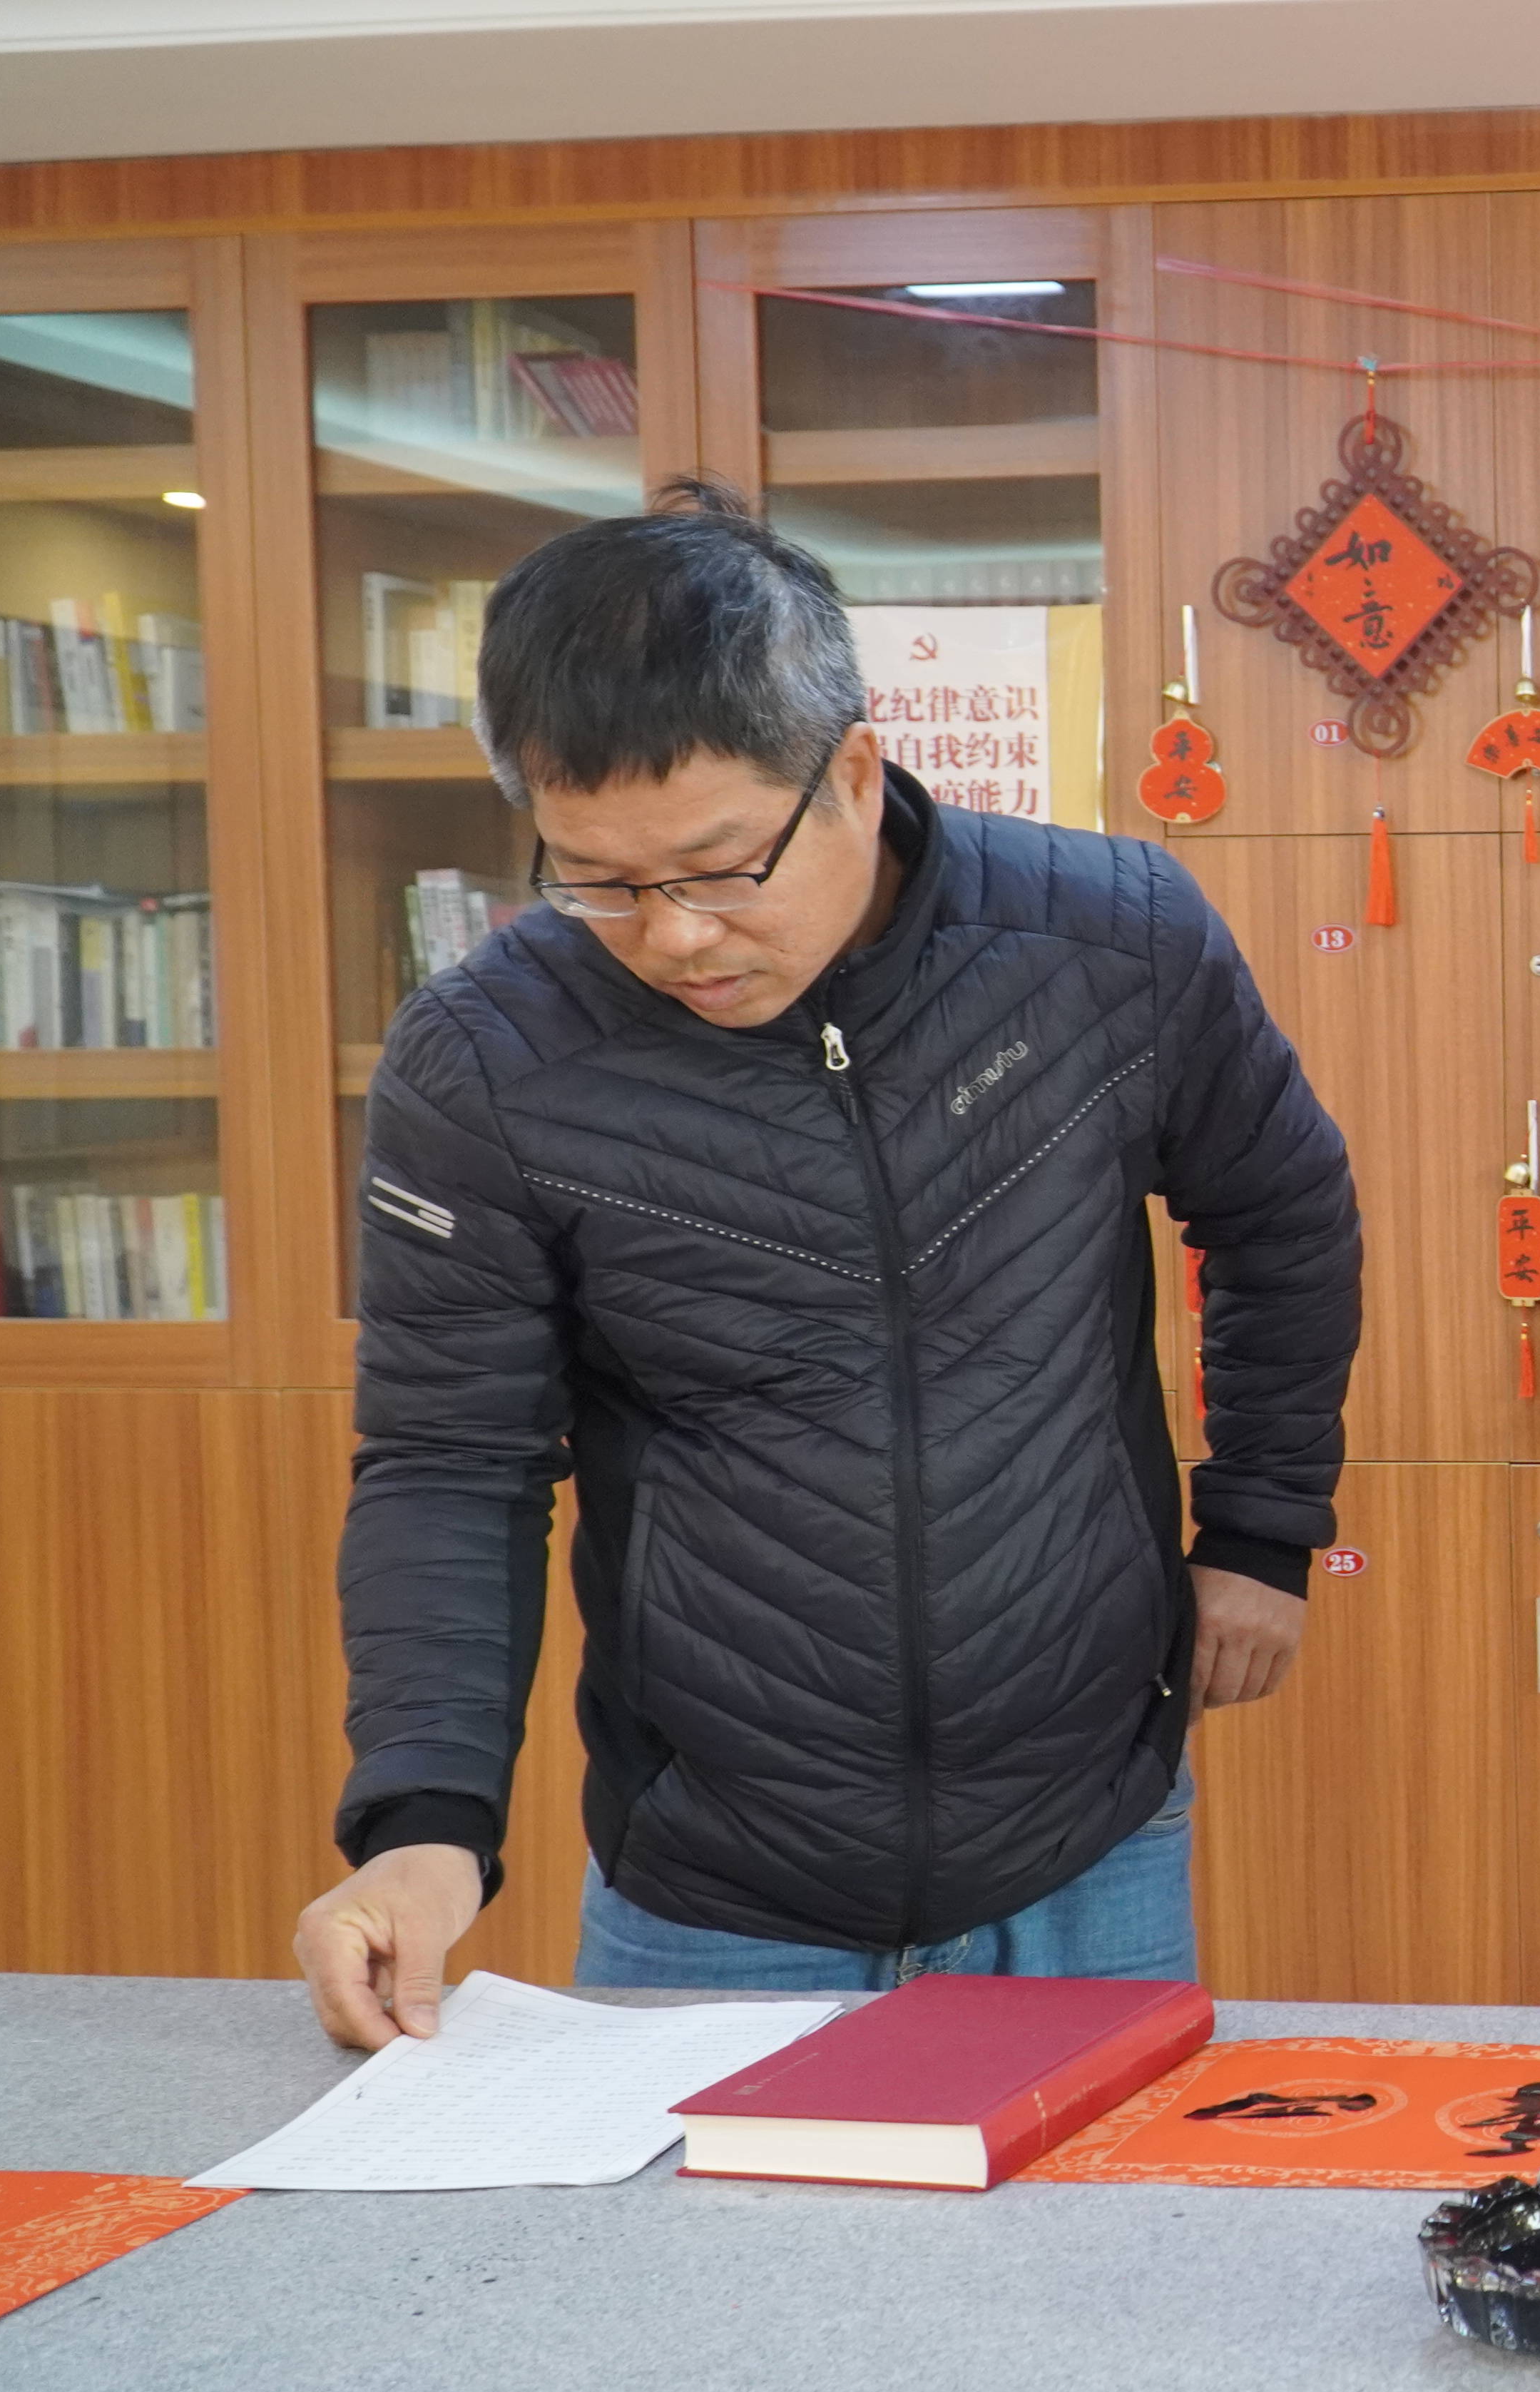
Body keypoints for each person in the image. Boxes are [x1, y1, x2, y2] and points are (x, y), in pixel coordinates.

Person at [292, 479, 1358, 2042]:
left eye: (722, 865)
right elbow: (452, 1457)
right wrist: (423, 1821)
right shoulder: (490, 1061)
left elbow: (1283, 1210)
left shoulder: (1111, 941)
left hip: (1086, 1834)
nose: (674, 936)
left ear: (853, 771)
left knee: (1105, 2209)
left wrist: (1263, 1529)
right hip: (713, 1878)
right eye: (599, 879)